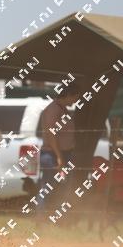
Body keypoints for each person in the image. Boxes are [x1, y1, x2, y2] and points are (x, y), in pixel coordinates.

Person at [38, 83, 80, 214]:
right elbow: (51, 134)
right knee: (48, 186)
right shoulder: (53, 109)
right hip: (53, 155)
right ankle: (42, 216)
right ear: (68, 95)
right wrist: (59, 157)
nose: (75, 101)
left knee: (58, 186)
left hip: (60, 154)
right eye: (75, 97)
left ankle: (54, 215)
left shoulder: (61, 109)